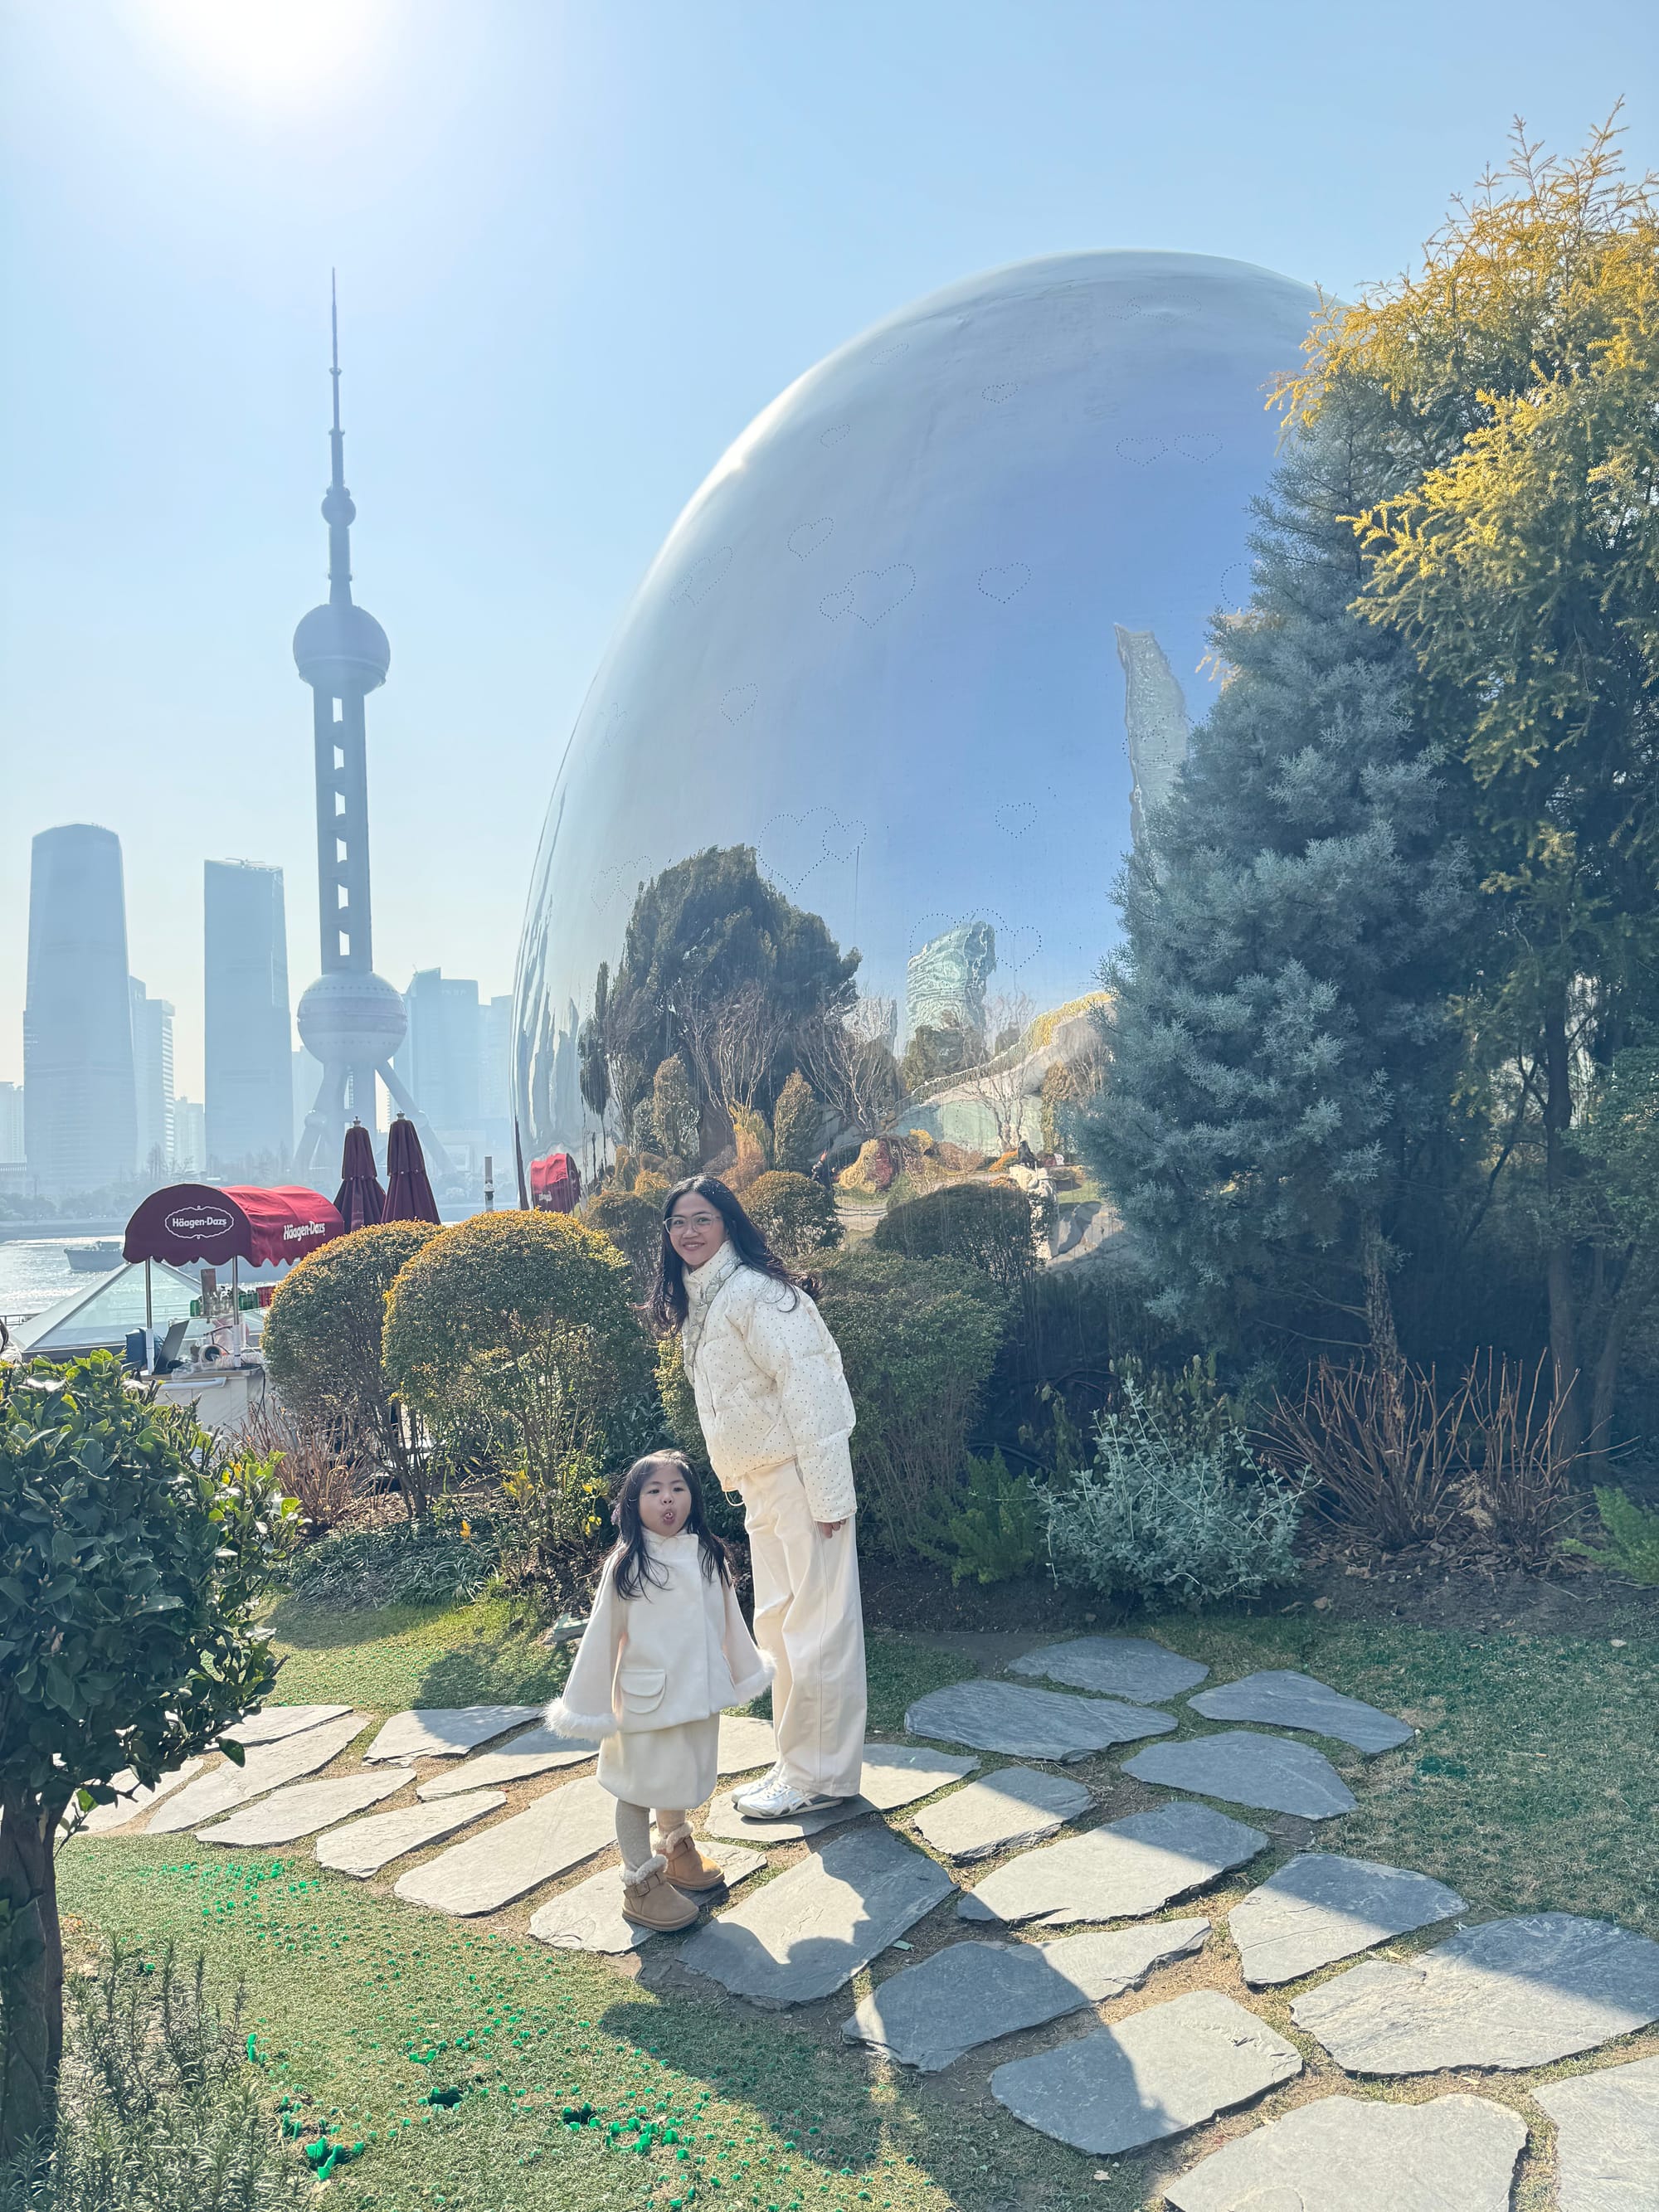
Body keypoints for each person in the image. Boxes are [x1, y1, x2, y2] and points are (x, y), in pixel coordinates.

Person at [649, 1174, 867, 1821]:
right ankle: (799, 1762)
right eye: (679, 1221)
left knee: (817, 1629)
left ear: (728, 1223)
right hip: (764, 1486)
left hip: (801, 1481)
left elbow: (814, 1388)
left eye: (702, 1218)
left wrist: (828, 1495)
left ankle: (815, 1774)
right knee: (778, 1625)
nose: (689, 1231)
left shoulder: (756, 1293)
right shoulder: (705, 1301)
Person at [545, 1449, 771, 1931]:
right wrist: (587, 1705)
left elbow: (730, 1620)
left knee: (680, 1771)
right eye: (654, 1491)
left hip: (697, 1695)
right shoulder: (628, 1565)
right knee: (637, 1788)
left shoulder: (707, 1553)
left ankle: (675, 1845)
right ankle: (640, 1884)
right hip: (645, 1702)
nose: (667, 1499)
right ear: (634, 1502)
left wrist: (744, 1669)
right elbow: (603, 1635)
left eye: (678, 1488)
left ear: (693, 1497)